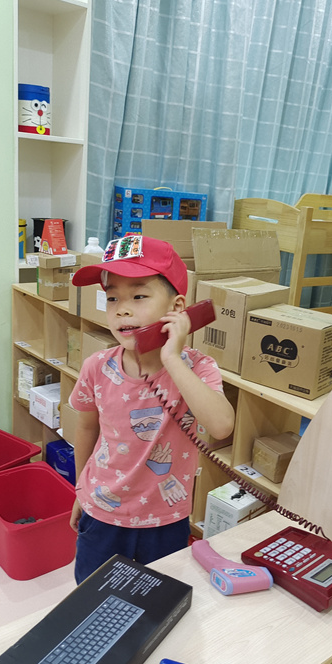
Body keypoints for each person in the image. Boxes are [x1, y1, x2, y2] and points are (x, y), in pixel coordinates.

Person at [68, 234, 235, 583]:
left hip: (165, 518)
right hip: (103, 511)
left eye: (139, 296)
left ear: (177, 308)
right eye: (112, 298)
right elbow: (86, 428)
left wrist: (172, 357)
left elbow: (221, 426)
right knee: (94, 595)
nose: (122, 309)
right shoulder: (97, 367)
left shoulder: (197, 368)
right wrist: (80, 490)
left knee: (157, 597)